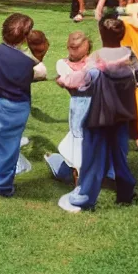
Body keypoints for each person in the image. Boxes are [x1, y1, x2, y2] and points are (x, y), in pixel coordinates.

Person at [56, 17, 137, 213]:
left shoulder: (97, 59)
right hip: (122, 114)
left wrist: (64, 80)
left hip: (99, 115)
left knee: (93, 158)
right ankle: (126, 193)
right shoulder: (130, 55)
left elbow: (82, 79)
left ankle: (85, 198)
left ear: (101, 34)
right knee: (120, 155)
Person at [0, 14, 45, 197]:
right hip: (17, 105)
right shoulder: (26, 62)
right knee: (8, 146)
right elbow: (39, 75)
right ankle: (3, 187)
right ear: (25, 37)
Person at [46, 32, 93, 184]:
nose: (73, 50)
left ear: (87, 48)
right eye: (71, 47)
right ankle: (76, 174)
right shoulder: (62, 64)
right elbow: (71, 84)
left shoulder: (94, 61)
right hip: (79, 107)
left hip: (98, 106)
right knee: (77, 139)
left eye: (78, 47)